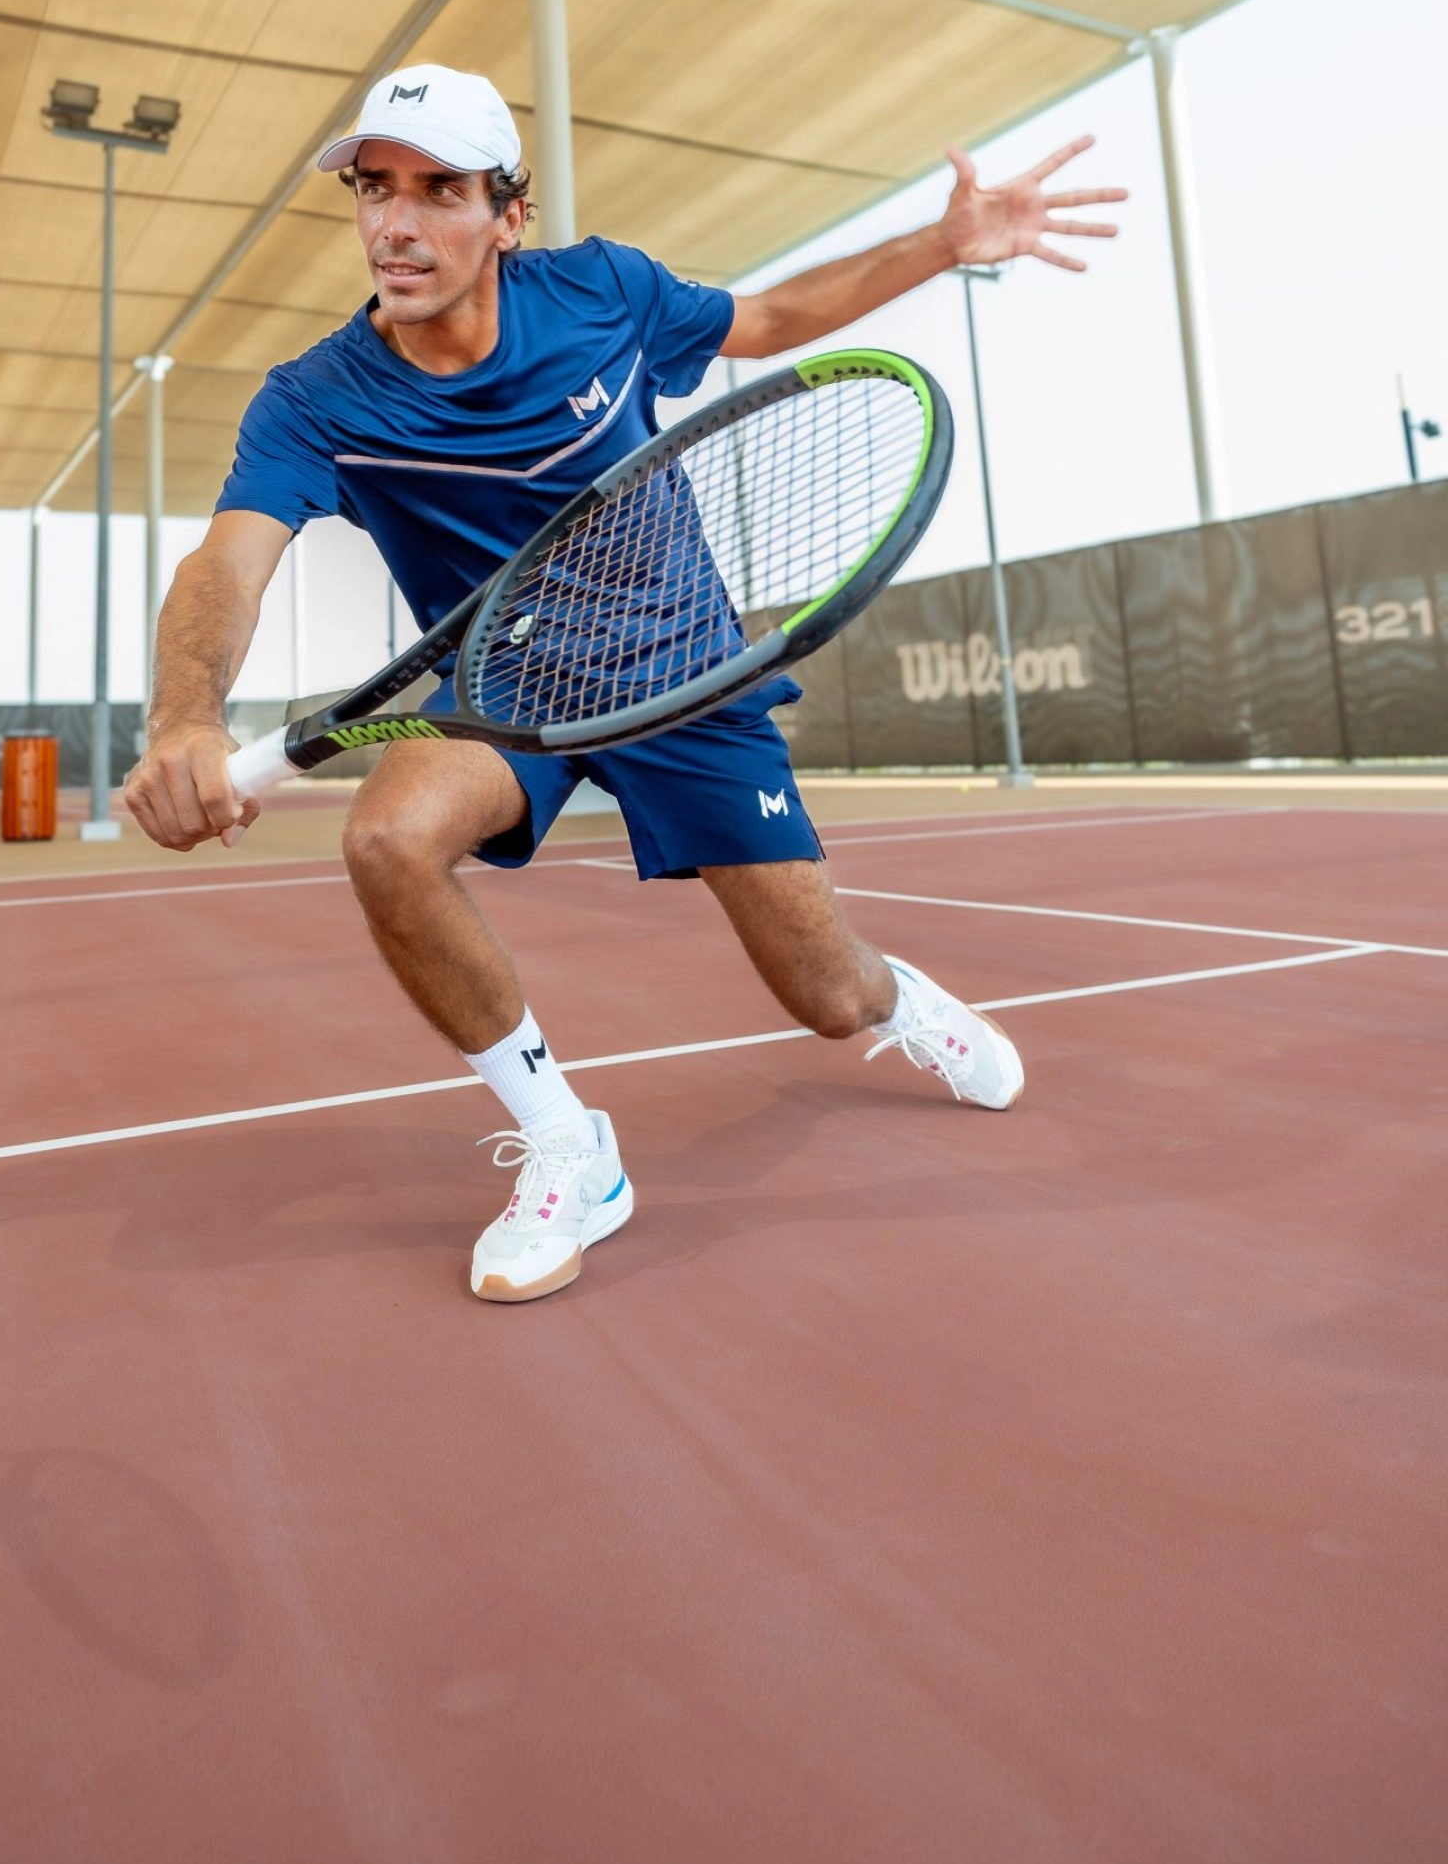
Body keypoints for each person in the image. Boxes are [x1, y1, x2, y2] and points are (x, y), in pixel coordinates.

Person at [126, 66, 1125, 1303]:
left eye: (440, 189)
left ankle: (899, 997)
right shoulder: (314, 397)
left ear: (508, 214)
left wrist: (942, 243)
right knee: (387, 836)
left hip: (684, 672)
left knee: (823, 993)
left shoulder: (604, 290)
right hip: (504, 684)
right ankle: (568, 1145)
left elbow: (764, 319)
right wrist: (184, 715)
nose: (397, 222)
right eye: (374, 189)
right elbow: (227, 559)